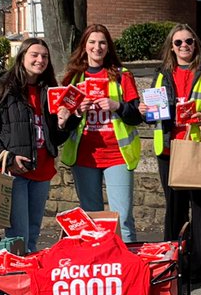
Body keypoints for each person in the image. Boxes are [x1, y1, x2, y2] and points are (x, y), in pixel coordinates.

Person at [0, 38, 73, 253]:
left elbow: (55, 138)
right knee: (18, 235)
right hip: (15, 174)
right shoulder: (4, 88)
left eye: (44, 56)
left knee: (33, 234)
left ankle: (28, 281)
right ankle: (13, 280)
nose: (40, 60)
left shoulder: (50, 89)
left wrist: (64, 124)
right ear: (22, 57)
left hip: (42, 171)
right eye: (34, 55)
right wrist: (7, 159)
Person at [144, 23, 201, 279]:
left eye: (189, 41)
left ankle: (200, 266)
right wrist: (146, 111)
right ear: (171, 47)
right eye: (178, 42)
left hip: (198, 148)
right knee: (174, 210)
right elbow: (151, 117)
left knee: (200, 209)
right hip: (169, 149)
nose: (184, 46)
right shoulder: (161, 74)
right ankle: (173, 264)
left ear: (196, 44)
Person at [59, 25, 144, 242]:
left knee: (122, 218)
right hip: (85, 157)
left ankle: (127, 269)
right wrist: (77, 112)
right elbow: (63, 123)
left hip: (117, 155)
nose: (97, 47)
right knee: (91, 219)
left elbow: (136, 117)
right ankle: (98, 264)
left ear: (108, 47)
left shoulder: (122, 75)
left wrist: (117, 105)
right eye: (92, 42)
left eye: (102, 42)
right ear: (84, 46)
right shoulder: (73, 78)